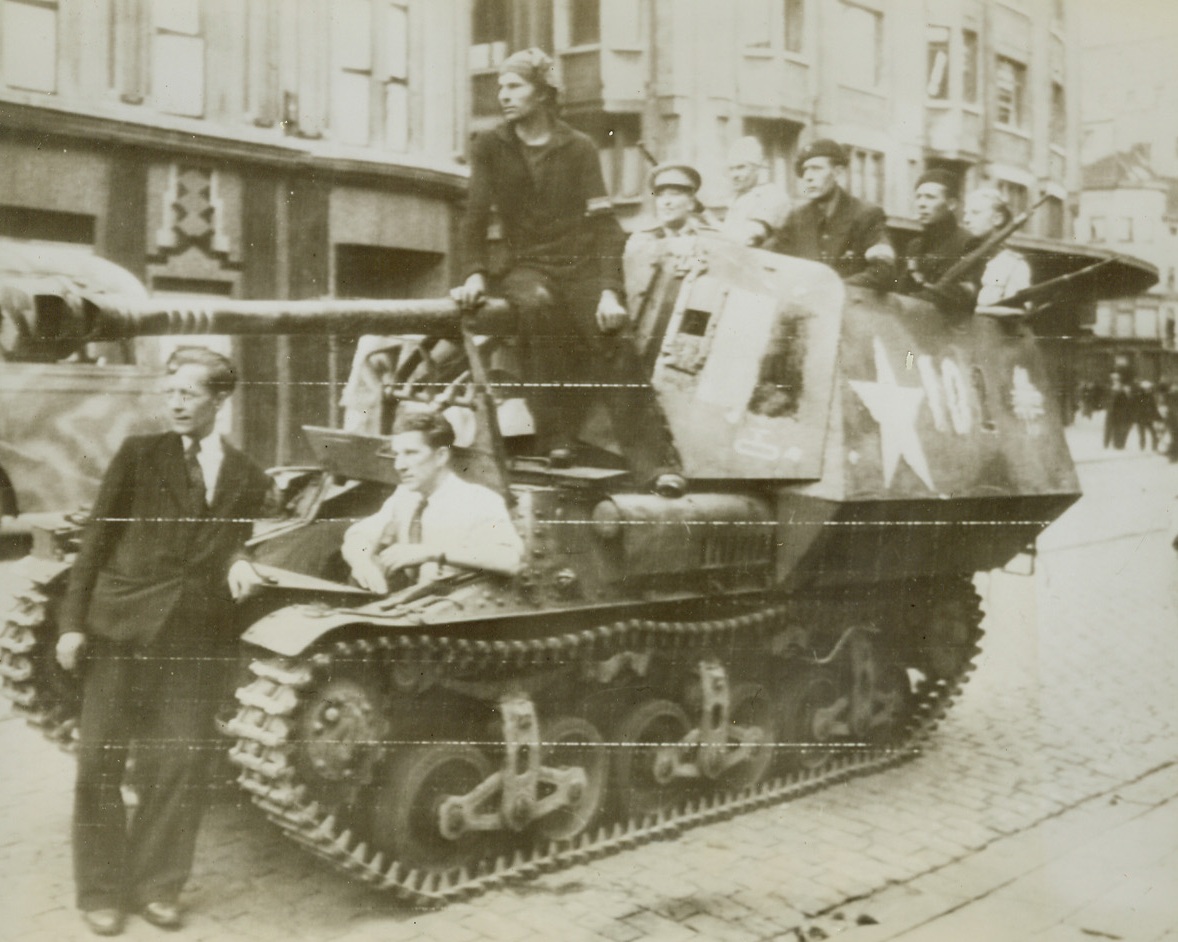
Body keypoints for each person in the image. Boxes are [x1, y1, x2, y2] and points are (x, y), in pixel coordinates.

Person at [54, 347, 274, 936]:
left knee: (177, 766)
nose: (175, 402)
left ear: (219, 399)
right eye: (170, 391)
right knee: (98, 761)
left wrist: (241, 558)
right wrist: (72, 624)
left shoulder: (248, 476)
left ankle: (158, 886)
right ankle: (101, 890)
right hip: (119, 630)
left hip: (193, 639)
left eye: (189, 393)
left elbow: (236, 540)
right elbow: (96, 541)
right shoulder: (139, 455)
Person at [451, 48, 682, 492]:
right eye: (501, 86)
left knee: (613, 335)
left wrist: (609, 291)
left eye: (514, 86)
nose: (503, 95)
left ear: (542, 93)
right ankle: (555, 437)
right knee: (536, 307)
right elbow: (474, 218)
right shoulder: (491, 147)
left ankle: (655, 465)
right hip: (526, 265)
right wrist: (474, 273)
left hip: (580, 264)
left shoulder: (579, 147)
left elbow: (604, 227)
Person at [342, 410, 524, 595]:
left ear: (441, 456)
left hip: (455, 614)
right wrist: (361, 562)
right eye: (397, 454)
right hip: (412, 608)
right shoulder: (406, 495)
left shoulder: (479, 500)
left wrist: (433, 553)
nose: (399, 465)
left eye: (411, 453)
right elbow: (360, 534)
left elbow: (509, 559)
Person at [763, 138, 895, 288]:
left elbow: (883, 270)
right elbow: (768, 260)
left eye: (816, 168)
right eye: (805, 170)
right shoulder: (795, 219)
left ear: (838, 173)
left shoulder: (867, 215)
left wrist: (833, 289)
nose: (808, 177)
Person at [898, 168, 980, 314]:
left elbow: (964, 295)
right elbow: (902, 290)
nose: (921, 204)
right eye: (918, 197)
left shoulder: (969, 243)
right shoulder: (914, 246)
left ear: (951, 204)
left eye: (930, 197)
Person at [962, 187, 1032, 316]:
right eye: (965, 213)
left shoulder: (1012, 264)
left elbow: (1019, 313)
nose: (966, 219)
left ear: (997, 219)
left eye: (975, 213)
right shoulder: (961, 255)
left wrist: (971, 310)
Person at [625, 162, 716, 256]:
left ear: (691, 203)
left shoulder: (710, 240)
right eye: (660, 196)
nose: (666, 202)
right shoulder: (641, 242)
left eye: (674, 194)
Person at [721, 136, 790, 248]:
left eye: (741, 167)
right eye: (731, 169)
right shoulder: (738, 197)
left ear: (757, 169)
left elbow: (749, 239)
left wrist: (711, 224)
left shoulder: (772, 195)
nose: (735, 175)